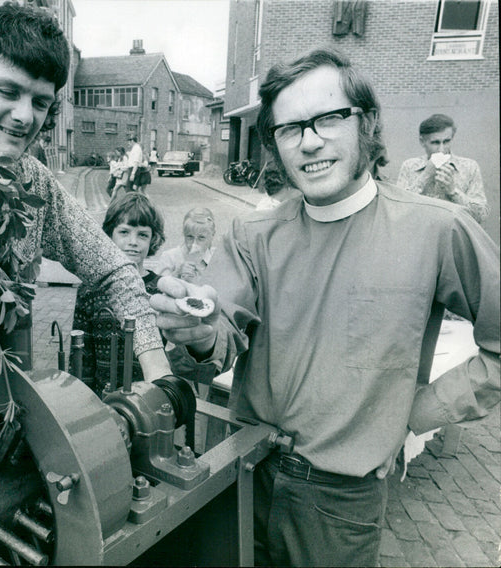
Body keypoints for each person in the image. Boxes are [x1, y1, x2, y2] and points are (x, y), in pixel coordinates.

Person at [150, 47, 500, 567]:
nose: (309, 141)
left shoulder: (437, 229)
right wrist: (197, 333)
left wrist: (416, 411)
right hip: (243, 472)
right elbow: (219, 333)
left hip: (342, 505)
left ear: (368, 123)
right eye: (289, 128)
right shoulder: (253, 233)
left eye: (329, 118)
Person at [0, 3, 172, 382]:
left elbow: (114, 270)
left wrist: (161, 375)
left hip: (11, 402)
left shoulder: (35, 181)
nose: (25, 116)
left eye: (40, 102)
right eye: (8, 91)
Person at [70, 193, 166, 394]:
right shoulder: (90, 289)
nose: (133, 241)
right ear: (109, 234)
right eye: (124, 232)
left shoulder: (161, 292)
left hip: (147, 401)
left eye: (142, 234)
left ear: (153, 239)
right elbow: (82, 356)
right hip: (102, 399)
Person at [397, 113, 489, 224]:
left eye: (446, 141)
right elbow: (399, 210)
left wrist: (453, 191)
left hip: (455, 238)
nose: (441, 149)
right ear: (422, 142)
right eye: (435, 143)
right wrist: (425, 176)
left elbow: (481, 216)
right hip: (421, 237)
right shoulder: (409, 166)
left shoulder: (469, 167)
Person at [155, 208, 217, 282]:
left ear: (212, 235)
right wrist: (177, 274)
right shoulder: (169, 257)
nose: (194, 244)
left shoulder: (217, 258)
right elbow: (156, 288)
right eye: (190, 237)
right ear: (184, 234)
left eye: (201, 238)